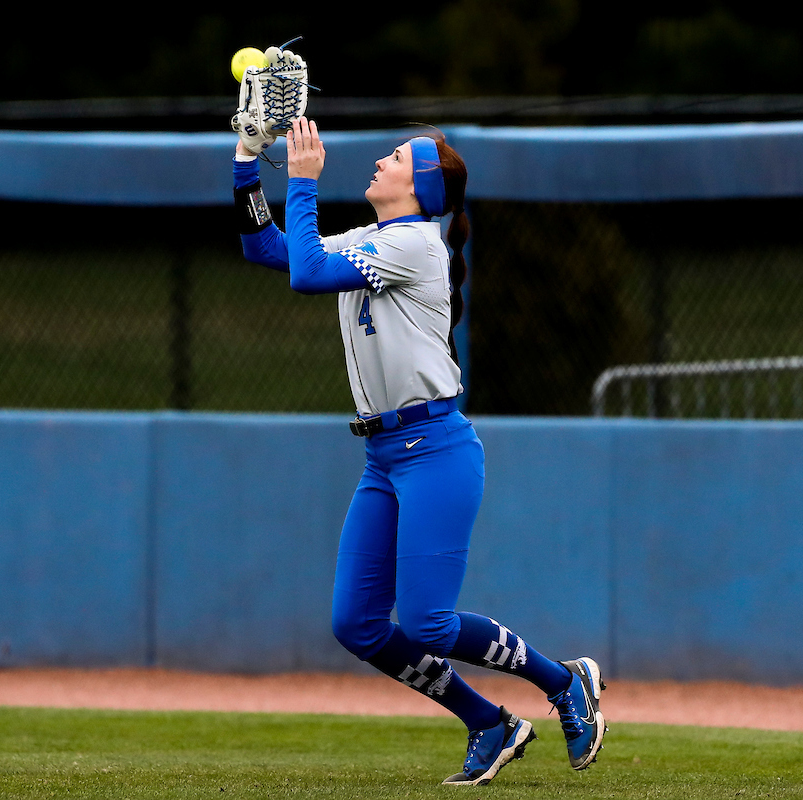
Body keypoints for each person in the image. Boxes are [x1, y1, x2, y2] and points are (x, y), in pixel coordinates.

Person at [231, 117, 607, 786]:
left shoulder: (414, 244)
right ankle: (490, 723)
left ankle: (562, 680)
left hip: (435, 450)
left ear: (422, 186)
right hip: (385, 456)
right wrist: (246, 163)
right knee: (358, 624)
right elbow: (267, 251)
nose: (382, 160)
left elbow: (307, 274)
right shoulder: (376, 237)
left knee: (428, 622)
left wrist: (305, 181)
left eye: (399, 156)